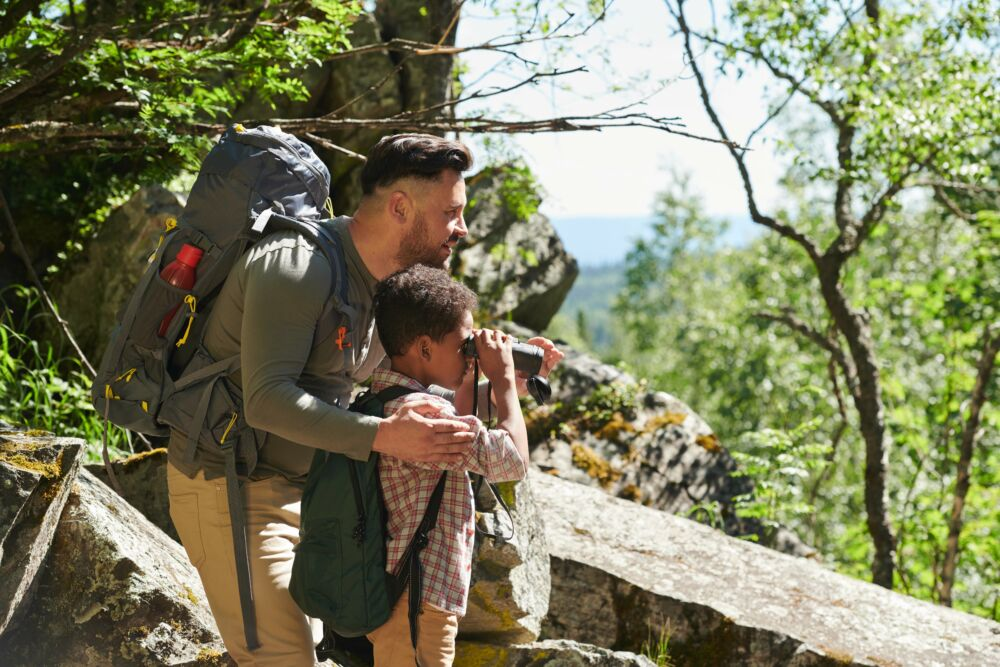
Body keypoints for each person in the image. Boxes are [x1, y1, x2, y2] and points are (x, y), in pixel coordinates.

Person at [166, 134, 503, 666]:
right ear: (400, 207)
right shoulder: (298, 266)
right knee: (285, 658)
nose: (460, 229)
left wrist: (500, 377)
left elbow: (405, 379)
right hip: (234, 489)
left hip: (322, 499)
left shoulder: (386, 288)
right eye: (452, 213)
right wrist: (385, 436)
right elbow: (267, 400)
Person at [366, 264, 561, 667]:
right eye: (463, 345)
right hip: (419, 603)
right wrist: (504, 381)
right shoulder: (424, 415)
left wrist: (517, 380)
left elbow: (461, 408)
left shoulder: (393, 395)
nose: (469, 350)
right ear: (423, 348)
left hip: (408, 598)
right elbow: (513, 460)